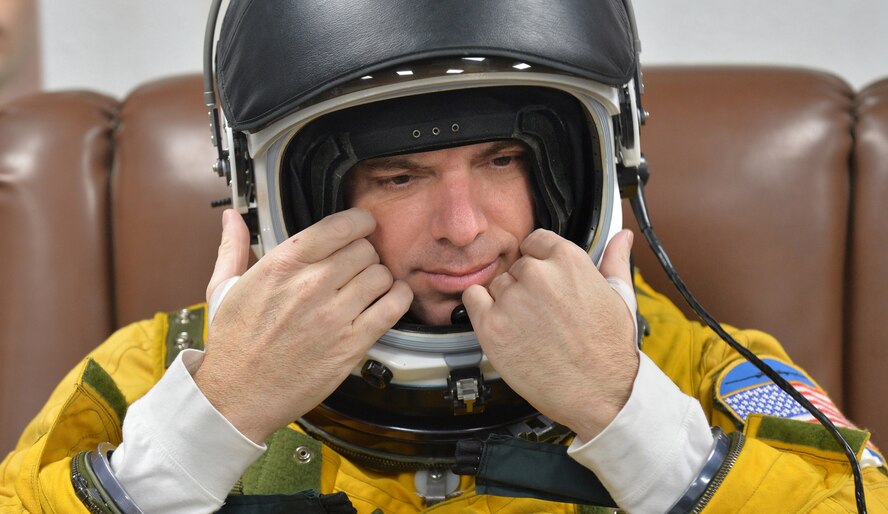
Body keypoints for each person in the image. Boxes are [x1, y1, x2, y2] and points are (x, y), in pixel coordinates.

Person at [2, 1, 887, 513]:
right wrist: (209, 423)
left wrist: (631, 421)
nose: (463, 227)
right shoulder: (147, 380)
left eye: (501, 161)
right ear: (288, 199)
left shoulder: (703, 372)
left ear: (587, 171)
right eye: (399, 175)